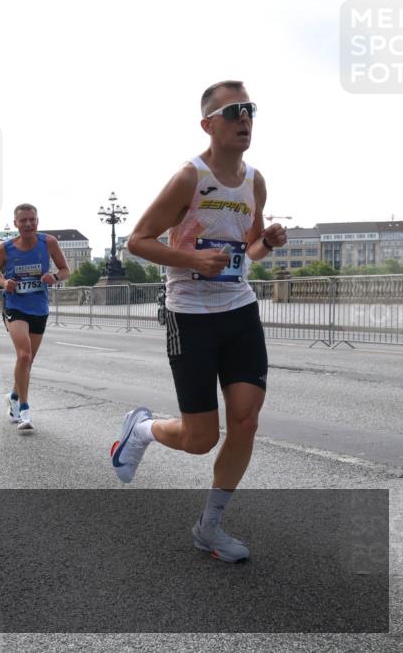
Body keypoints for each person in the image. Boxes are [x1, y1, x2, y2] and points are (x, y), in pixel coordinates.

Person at [111, 80, 287, 562]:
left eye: (250, 109)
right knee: (200, 439)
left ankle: (210, 527)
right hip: (189, 313)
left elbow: (250, 248)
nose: (244, 118)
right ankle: (141, 430)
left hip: (239, 309)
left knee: (246, 420)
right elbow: (138, 240)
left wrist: (268, 241)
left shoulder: (255, 181)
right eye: (233, 111)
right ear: (208, 124)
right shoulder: (190, 177)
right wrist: (192, 259)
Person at [0, 204, 69, 432]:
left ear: (37, 221)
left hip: (39, 307)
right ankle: (23, 410)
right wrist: (4, 282)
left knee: (28, 361)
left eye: (32, 219)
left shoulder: (49, 243)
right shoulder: (5, 248)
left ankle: (13, 396)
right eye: (23, 220)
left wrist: (55, 277)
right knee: (23, 355)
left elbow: (65, 270)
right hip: (15, 305)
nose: (28, 224)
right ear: (15, 223)